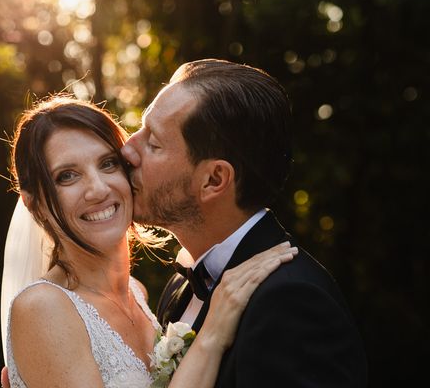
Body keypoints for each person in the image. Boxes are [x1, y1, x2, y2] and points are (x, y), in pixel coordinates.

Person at [1, 96, 298, 387]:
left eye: (107, 163)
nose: (98, 189)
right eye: (67, 176)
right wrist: (212, 336)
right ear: (34, 204)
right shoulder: (42, 308)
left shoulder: (138, 294)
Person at [120, 58, 368, 386]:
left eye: (153, 143)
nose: (127, 150)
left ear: (214, 179)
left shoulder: (291, 304)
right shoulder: (182, 285)